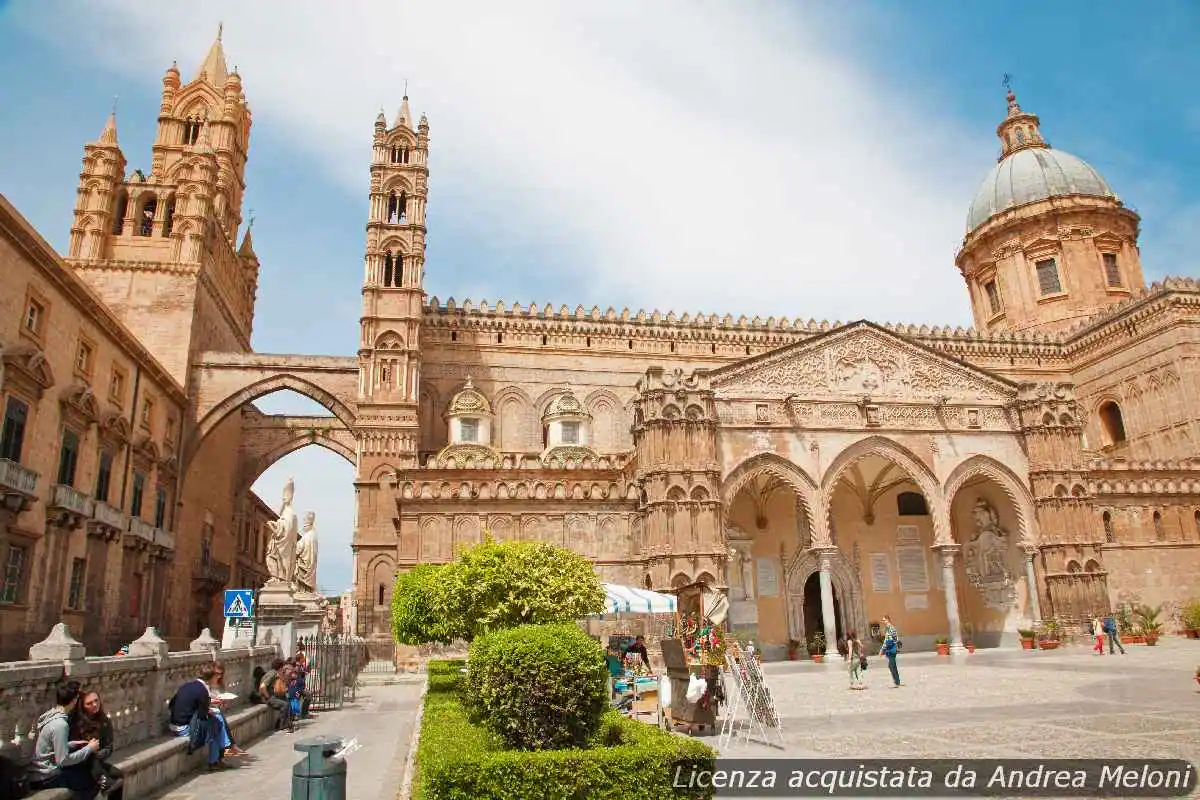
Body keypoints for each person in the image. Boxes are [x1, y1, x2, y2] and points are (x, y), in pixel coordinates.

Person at [28, 680, 100, 796]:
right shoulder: (61, 724)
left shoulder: (51, 714)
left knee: (83, 772)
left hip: (39, 773)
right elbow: (63, 760)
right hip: (45, 778)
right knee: (91, 784)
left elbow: (51, 747)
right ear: (74, 700)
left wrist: (72, 744)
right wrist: (89, 748)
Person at [167, 662, 227, 770]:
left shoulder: (187, 685)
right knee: (216, 725)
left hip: (173, 725)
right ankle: (214, 761)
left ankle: (220, 756)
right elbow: (202, 716)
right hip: (184, 729)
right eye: (217, 676)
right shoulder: (203, 691)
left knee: (217, 720)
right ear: (212, 677)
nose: (219, 678)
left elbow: (171, 704)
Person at [71, 691, 124, 799]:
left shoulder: (104, 721)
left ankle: (103, 781)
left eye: (96, 701)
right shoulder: (77, 723)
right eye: (89, 703)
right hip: (80, 763)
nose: (94, 705)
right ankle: (102, 780)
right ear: (83, 706)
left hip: (96, 762)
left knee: (119, 775)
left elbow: (109, 746)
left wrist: (100, 754)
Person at [209, 663, 247, 757]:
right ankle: (230, 746)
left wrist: (226, 702)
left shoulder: (221, 685)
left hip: (218, 710)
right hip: (210, 711)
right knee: (220, 719)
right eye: (217, 673)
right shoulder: (207, 685)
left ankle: (229, 747)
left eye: (221, 674)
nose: (219, 676)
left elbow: (224, 701)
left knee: (220, 718)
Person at [879, 615, 901, 687]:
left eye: (884, 620)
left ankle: (896, 682)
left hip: (891, 648)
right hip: (890, 648)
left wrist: (882, 650)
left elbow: (888, 640)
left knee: (891, 665)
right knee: (892, 665)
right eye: (883, 620)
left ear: (888, 620)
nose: (884, 622)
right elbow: (895, 638)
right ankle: (897, 681)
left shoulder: (890, 628)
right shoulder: (889, 628)